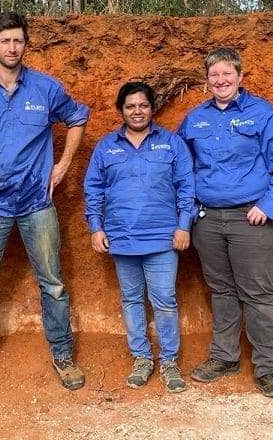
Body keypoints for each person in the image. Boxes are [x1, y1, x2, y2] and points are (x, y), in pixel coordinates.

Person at [0, 11, 89, 391]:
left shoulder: (46, 89)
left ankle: (62, 354)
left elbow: (77, 119)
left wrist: (62, 165)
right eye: (4, 41)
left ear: (26, 44)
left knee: (52, 283)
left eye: (18, 41)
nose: (12, 47)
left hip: (36, 204)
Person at [177, 47, 273, 400]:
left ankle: (269, 370)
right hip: (208, 221)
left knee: (257, 293)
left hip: (252, 220)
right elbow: (181, 168)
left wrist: (269, 204)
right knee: (222, 291)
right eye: (214, 75)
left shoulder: (263, 114)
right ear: (207, 80)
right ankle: (224, 357)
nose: (220, 80)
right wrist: (187, 214)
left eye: (227, 74)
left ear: (240, 76)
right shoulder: (194, 119)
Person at [84, 82, 194, 393]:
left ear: (152, 108)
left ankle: (169, 361)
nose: (137, 111)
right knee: (132, 300)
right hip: (122, 239)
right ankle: (142, 358)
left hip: (162, 240)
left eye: (143, 105)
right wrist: (96, 227)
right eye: (130, 106)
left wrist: (183, 225)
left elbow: (186, 188)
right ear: (121, 110)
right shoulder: (106, 147)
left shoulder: (172, 144)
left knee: (165, 301)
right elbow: (93, 190)